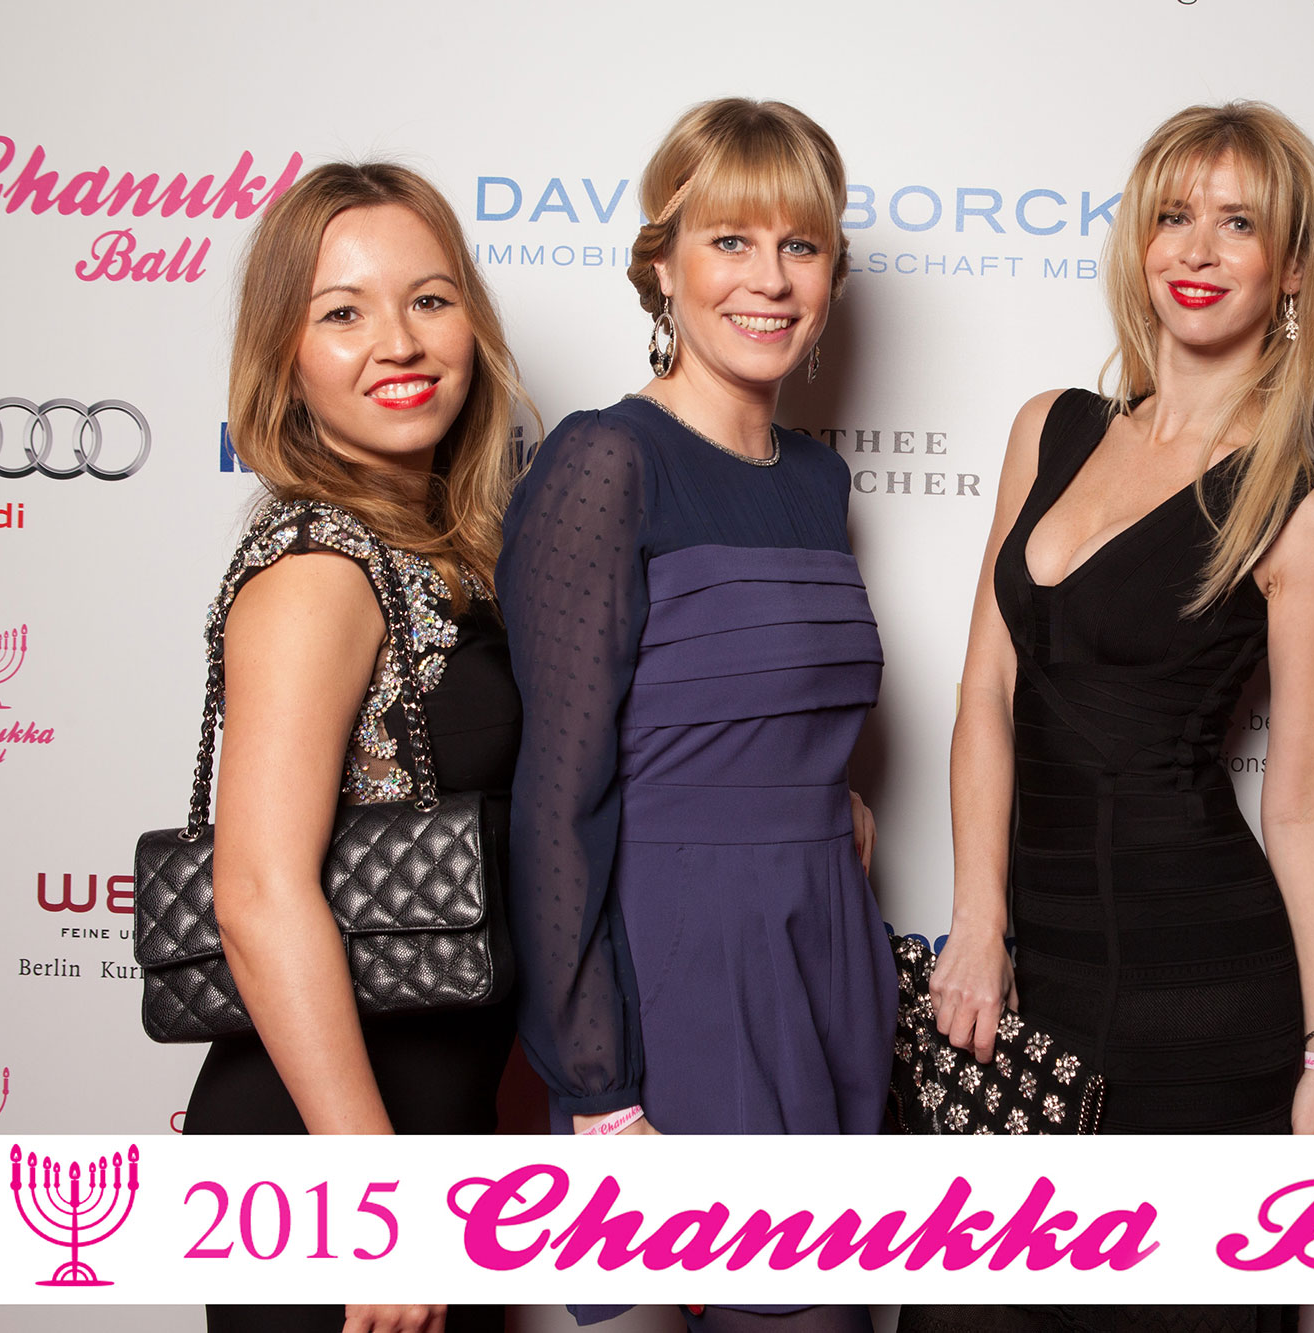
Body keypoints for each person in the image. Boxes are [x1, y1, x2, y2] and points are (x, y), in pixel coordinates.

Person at [921, 101, 1314, 1330]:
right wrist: (977, 919)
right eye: (1173, 215)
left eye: (1239, 225)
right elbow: (984, 690)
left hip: (1199, 995)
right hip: (1027, 977)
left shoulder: (1308, 507)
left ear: (1290, 269)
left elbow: (1302, 799)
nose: (1197, 250)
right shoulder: (1049, 428)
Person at [499, 98, 891, 1330]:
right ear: (662, 265)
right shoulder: (604, 461)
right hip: (679, 970)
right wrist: (600, 1088)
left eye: (799, 245)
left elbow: (771, 710)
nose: (768, 280)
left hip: (821, 951)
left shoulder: (817, 480)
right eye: (729, 241)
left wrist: (835, 816)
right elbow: (555, 801)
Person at [181, 162, 531, 1333]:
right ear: (285, 357)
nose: (401, 342)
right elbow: (257, 894)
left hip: (434, 1140)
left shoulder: (451, 550)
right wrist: (376, 1205)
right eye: (343, 311)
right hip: (334, 1167)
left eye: (429, 299)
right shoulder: (317, 572)